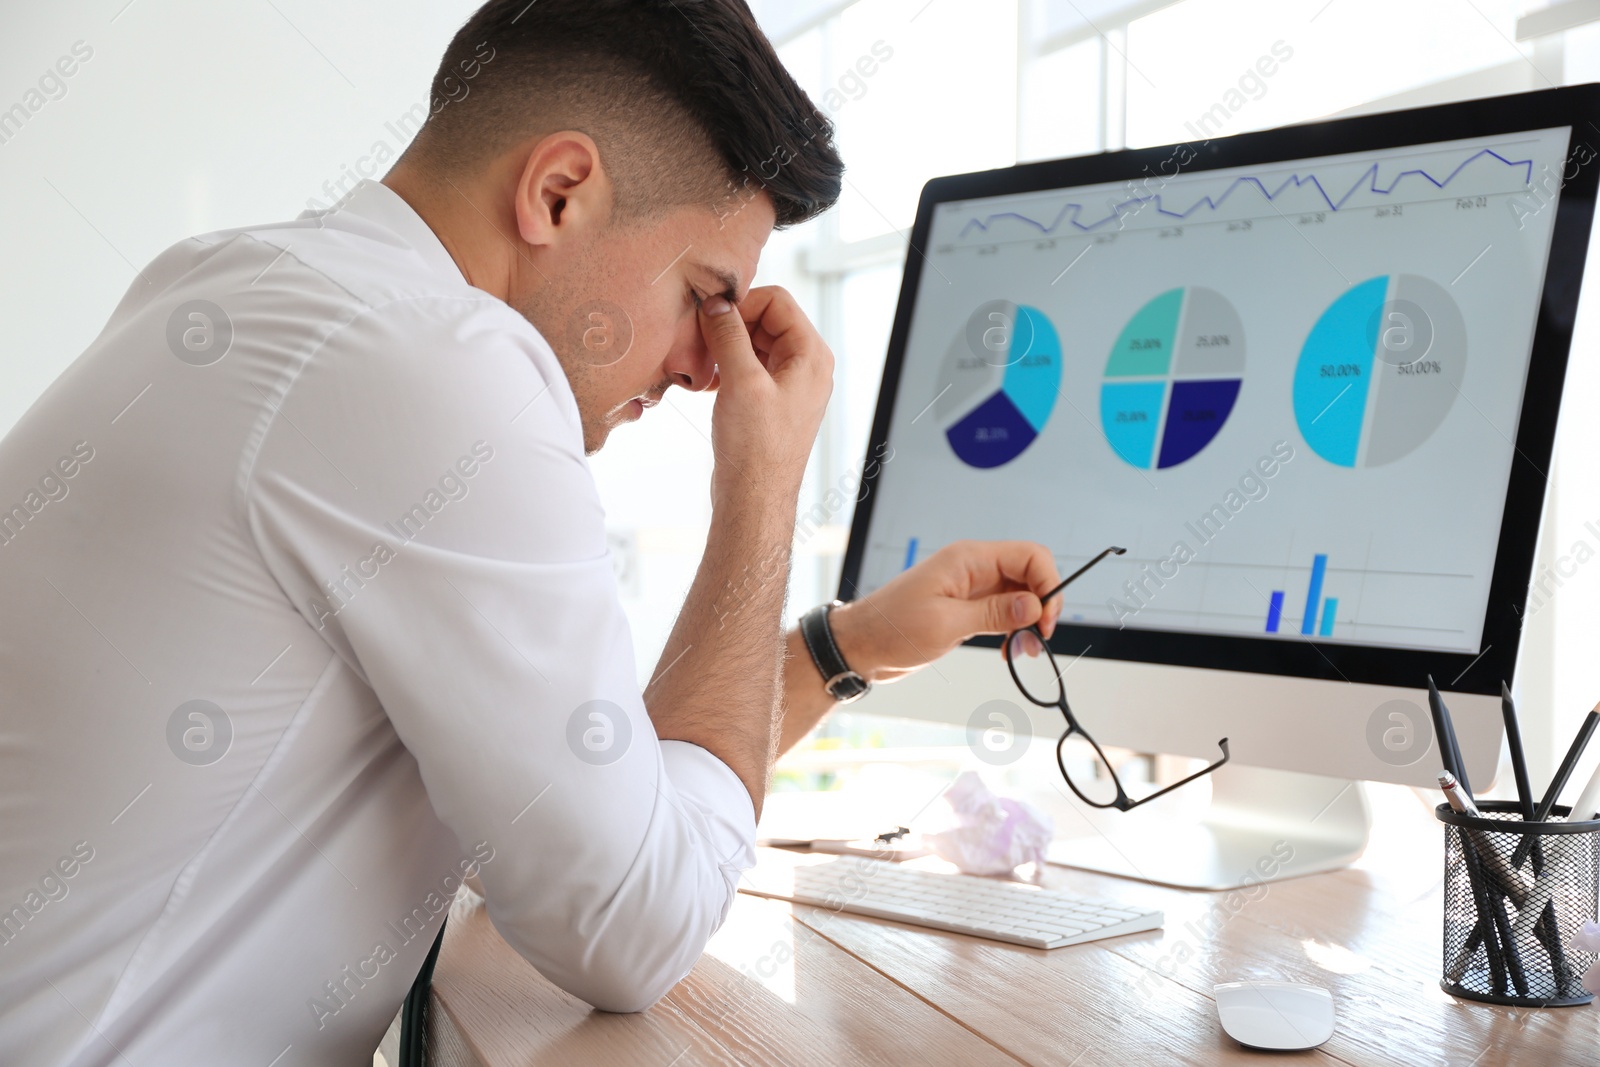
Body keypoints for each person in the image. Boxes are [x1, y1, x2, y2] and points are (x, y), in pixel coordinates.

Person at [0, 1, 1063, 1062]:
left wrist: (842, 648)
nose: (708, 365)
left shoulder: (230, 283)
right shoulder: (436, 359)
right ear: (557, 194)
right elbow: (632, 926)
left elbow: (573, 808)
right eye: (706, 295)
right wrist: (764, 488)